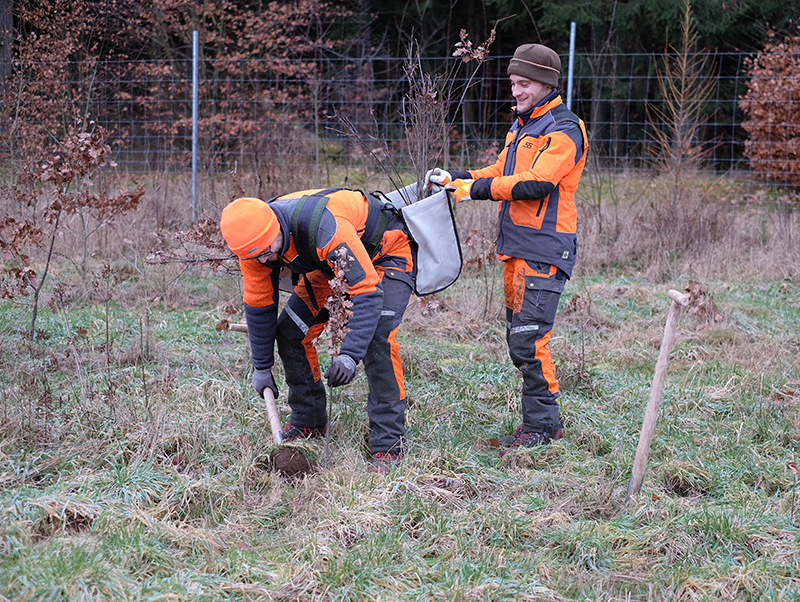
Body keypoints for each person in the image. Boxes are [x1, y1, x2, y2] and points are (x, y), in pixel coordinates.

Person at [427, 43, 587, 450]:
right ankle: (538, 425)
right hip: (517, 249)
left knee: (530, 340)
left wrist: (476, 190)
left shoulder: (565, 129)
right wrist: (457, 178)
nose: (516, 91)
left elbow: (536, 183)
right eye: (513, 83)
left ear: (547, 83)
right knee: (519, 340)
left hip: (545, 250)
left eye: (524, 84)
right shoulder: (521, 126)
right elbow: (500, 171)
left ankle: (543, 429)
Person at [219, 188, 416, 471]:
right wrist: (261, 367)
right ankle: (309, 420)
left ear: (276, 227)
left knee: (377, 339)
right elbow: (260, 306)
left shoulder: (325, 226)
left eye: (266, 253)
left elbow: (366, 291)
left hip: (385, 253)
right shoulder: (252, 246)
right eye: (256, 257)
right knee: (291, 333)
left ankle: (389, 445)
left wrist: (349, 355)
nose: (263, 261)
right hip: (330, 268)